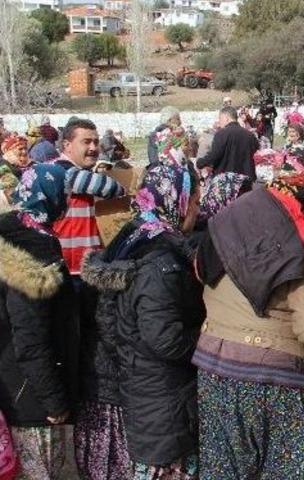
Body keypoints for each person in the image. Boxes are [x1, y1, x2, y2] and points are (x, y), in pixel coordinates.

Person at [191, 146, 304, 479]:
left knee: (222, 471)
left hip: (213, 368)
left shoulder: (227, 217)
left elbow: (200, 272)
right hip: (275, 381)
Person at [95, 158, 204, 478]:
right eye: (194, 202)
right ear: (176, 200)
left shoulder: (135, 235)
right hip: (162, 395)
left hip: (142, 382)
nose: (197, 211)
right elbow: (165, 338)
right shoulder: (160, 262)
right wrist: (209, 336)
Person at [0, 163, 77, 480]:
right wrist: (54, 399)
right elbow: (31, 335)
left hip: (17, 387)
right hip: (31, 400)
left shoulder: (15, 232)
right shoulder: (34, 249)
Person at [52, 118, 126, 277]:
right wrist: (125, 186)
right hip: (70, 269)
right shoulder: (61, 171)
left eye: (95, 142)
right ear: (67, 145)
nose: (93, 147)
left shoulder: (81, 173)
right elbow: (111, 188)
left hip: (86, 266)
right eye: (86, 142)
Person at [197, 106, 260, 181]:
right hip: (247, 179)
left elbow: (215, 155)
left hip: (228, 181)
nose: (219, 122)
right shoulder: (250, 135)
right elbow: (256, 150)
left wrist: (200, 162)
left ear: (226, 118)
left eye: (220, 119)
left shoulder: (222, 134)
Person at [0, 135, 32, 203]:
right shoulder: (3, 168)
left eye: (25, 148)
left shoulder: (28, 165)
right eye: (20, 149)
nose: (24, 152)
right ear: (9, 152)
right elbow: (12, 196)